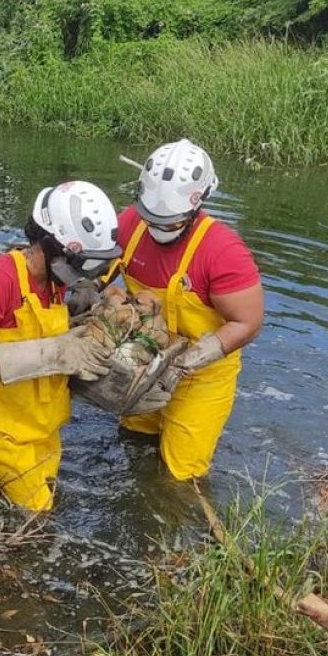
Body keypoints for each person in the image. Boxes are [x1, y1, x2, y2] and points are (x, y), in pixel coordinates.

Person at [0, 181, 123, 511]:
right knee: (37, 516)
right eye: (79, 265)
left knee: (49, 496)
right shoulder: (0, 278)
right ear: (51, 246)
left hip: (42, 424)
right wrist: (57, 353)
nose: (81, 275)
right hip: (0, 428)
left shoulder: (55, 281)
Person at [114, 139, 264, 480]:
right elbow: (103, 273)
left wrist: (184, 364)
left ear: (196, 207)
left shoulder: (224, 252)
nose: (156, 227)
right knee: (134, 436)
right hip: (146, 358)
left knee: (179, 471)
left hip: (201, 373)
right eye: (151, 218)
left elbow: (248, 322)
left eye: (168, 222)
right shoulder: (129, 225)